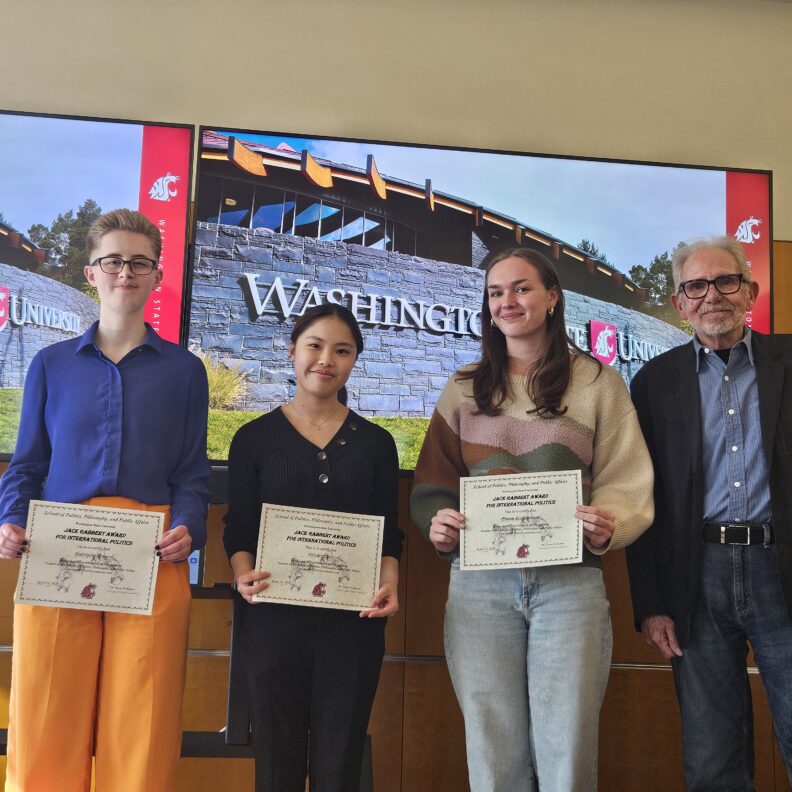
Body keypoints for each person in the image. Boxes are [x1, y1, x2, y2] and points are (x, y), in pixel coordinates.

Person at [410, 246, 654, 792]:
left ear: (552, 298)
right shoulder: (464, 386)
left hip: (570, 585)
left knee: (567, 748)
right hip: (480, 587)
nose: (508, 302)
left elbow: (626, 478)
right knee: (492, 749)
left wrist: (610, 522)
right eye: (496, 292)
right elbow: (433, 484)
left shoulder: (598, 382)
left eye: (521, 288)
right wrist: (439, 524)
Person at [0, 209, 211, 792]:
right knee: (46, 708)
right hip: (56, 550)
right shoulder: (50, 365)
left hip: (152, 555)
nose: (126, 271)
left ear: (157, 275)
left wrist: (189, 525)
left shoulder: (185, 372)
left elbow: (192, 472)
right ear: (91, 273)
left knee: (142, 716)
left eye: (140, 262)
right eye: (113, 260)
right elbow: (27, 465)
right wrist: (11, 519)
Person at [626, 235, 792, 789]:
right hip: (696, 579)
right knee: (712, 757)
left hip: (782, 570)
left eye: (725, 281)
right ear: (679, 303)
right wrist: (651, 603)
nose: (711, 295)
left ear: (750, 292)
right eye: (695, 286)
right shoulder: (654, 382)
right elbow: (639, 496)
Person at [223, 302, 402, 792]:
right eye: (315, 346)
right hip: (273, 620)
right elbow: (239, 527)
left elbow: (388, 532)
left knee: (338, 765)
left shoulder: (376, 443)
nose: (326, 360)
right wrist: (243, 574)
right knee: (276, 763)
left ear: (354, 360)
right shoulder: (254, 438)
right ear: (292, 351)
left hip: (353, 624)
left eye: (341, 351)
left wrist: (389, 582)